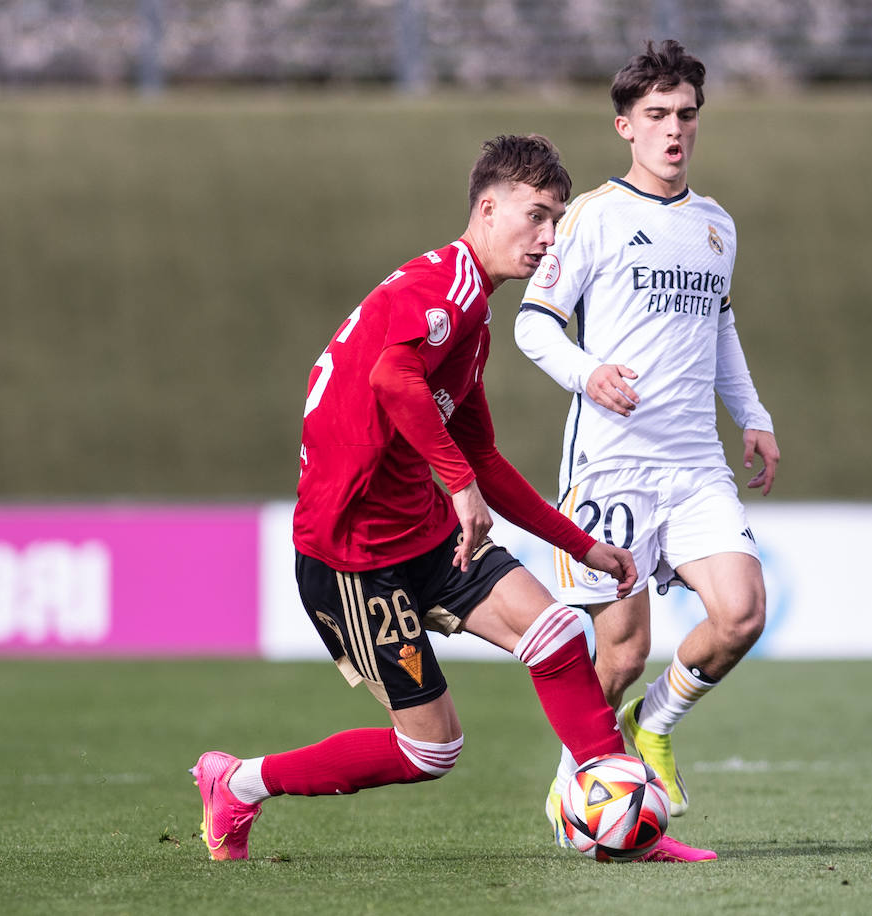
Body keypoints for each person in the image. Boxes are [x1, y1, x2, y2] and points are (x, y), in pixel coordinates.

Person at [191, 134, 704, 864]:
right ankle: (239, 784)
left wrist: (581, 545)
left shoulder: (471, 321)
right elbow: (392, 380)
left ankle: (628, 828)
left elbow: (485, 459)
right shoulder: (443, 286)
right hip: (352, 558)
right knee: (432, 752)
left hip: (425, 537)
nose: (548, 238)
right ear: (487, 208)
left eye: (557, 220)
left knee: (556, 632)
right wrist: (458, 486)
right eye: (536, 216)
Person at [515, 41, 781, 853]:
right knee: (621, 650)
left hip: (694, 461)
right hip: (613, 464)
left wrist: (755, 414)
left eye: (687, 116)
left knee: (741, 614)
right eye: (658, 116)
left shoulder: (715, 225)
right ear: (626, 126)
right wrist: (589, 374)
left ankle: (654, 726)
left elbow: (722, 327)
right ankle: (578, 792)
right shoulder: (597, 215)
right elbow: (533, 322)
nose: (674, 131)